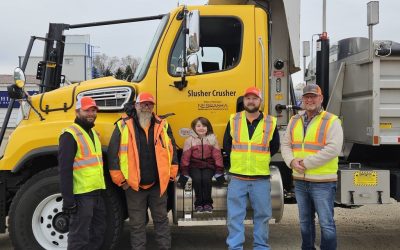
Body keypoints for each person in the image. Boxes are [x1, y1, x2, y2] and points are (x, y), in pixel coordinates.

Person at [107, 92, 178, 250]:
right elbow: (113, 155)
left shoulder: (163, 125)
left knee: (161, 221)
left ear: (153, 107)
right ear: (136, 105)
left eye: (149, 104)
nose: (146, 107)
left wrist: (171, 175)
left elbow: (173, 151)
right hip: (134, 186)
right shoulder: (123, 125)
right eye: (143, 104)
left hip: (158, 185)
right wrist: (122, 182)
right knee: (137, 224)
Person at [281, 83, 343, 250]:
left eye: (313, 96)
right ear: (302, 99)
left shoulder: (332, 120)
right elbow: (286, 145)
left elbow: (333, 149)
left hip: (323, 182)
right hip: (300, 181)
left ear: (321, 99)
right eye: (307, 97)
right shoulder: (295, 120)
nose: (310, 100)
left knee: (326, 224)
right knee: (305, 223)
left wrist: (305, 163)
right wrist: (291, 162)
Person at [223, 86, 280, 250]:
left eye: (254, 98)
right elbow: (227, 144)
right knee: (234, 216)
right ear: (244, 101)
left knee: (262, 216)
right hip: (238, 177)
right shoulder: (234, 119)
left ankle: (261, 246)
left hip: (260, 178)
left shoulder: (270, 122)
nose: (251, 101)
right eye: (248, 98)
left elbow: (274, 146)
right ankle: (235, 247)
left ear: (260, 102)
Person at [58, 96, 106, 250]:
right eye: (87, 110)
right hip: (82, 195)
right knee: (79, 237)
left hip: (96, 193)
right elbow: (64, 170)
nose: (91, 113)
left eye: (93, 110)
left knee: (97, 233)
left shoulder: (93, 133)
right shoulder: (69, 134)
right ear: (77, 111)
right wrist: (68, 200)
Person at [178, 117, 225, 213]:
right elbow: (185, 157)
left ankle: (208, 204)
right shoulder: (189, 140)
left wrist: (219, 171)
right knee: (197, 179)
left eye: (204, 126)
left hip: (208, 165)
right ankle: (198, 204)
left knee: (206, 179)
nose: (201, 128)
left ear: (208, 128)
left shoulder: (212, 139)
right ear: (194, 128)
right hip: (194, 165)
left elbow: (217, 156)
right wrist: (184, 172)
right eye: (198, 126)